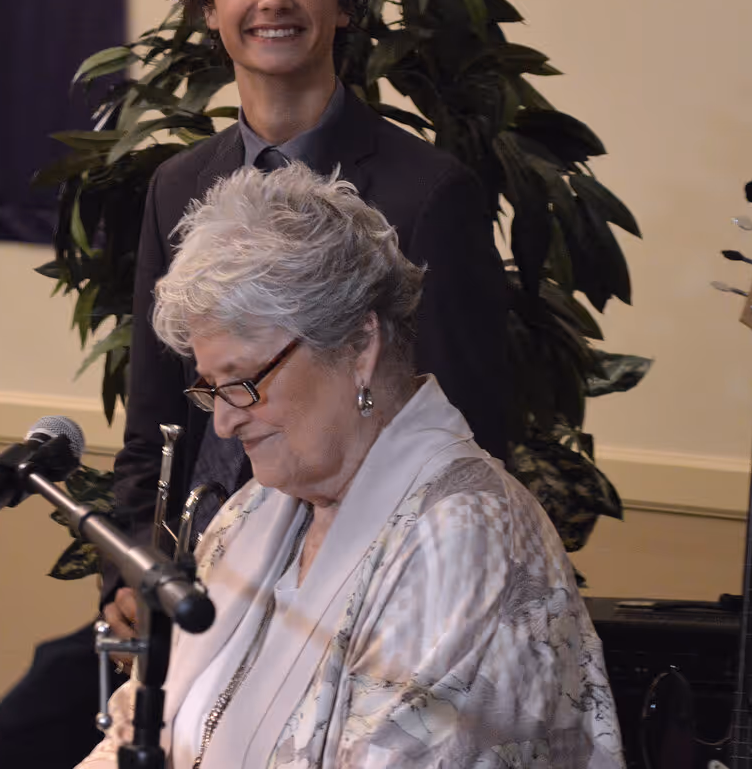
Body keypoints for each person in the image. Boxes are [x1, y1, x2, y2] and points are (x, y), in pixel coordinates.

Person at [0, 0, 515, 769]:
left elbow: (474, 435)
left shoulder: (430, 194)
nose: (274, 0)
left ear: (346, 4)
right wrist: (132, 570)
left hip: (343, 600)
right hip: (199, 583)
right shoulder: (176, 187)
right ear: (211, 9)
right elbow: (153, 422)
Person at [78, 164, 621, 768]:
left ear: (360, 347)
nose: (225, 423)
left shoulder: (464, 535)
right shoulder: (254, 509)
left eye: (243, 382)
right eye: (210, 389)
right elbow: (135, 725)